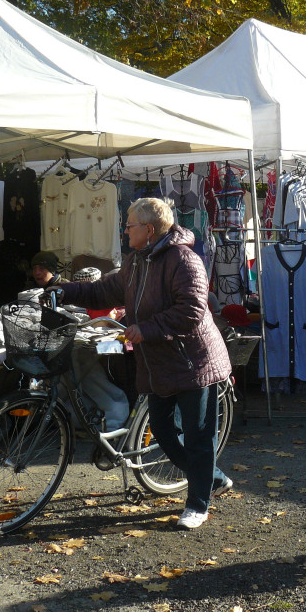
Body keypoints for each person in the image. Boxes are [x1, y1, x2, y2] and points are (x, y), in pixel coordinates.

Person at [55, 197, 233, 530]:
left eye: (129, 224)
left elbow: (191, 312)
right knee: (164, 434)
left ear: (149, 230)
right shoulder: (136, 261)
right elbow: (104, 291)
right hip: (158, 365)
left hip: (194, 363)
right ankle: (214, 478)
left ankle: (198, 504)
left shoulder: (184, 260)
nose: (125, 230)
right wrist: (62, 291)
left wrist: (144, 329)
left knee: (198, 436)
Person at [30, 251, 129, 434]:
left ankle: (109, 420)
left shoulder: (111, 302)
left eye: (42, 268)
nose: (37, 272)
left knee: (85, 372)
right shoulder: (74, 296)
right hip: (88, 339)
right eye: (35, 268)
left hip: (113, 342)